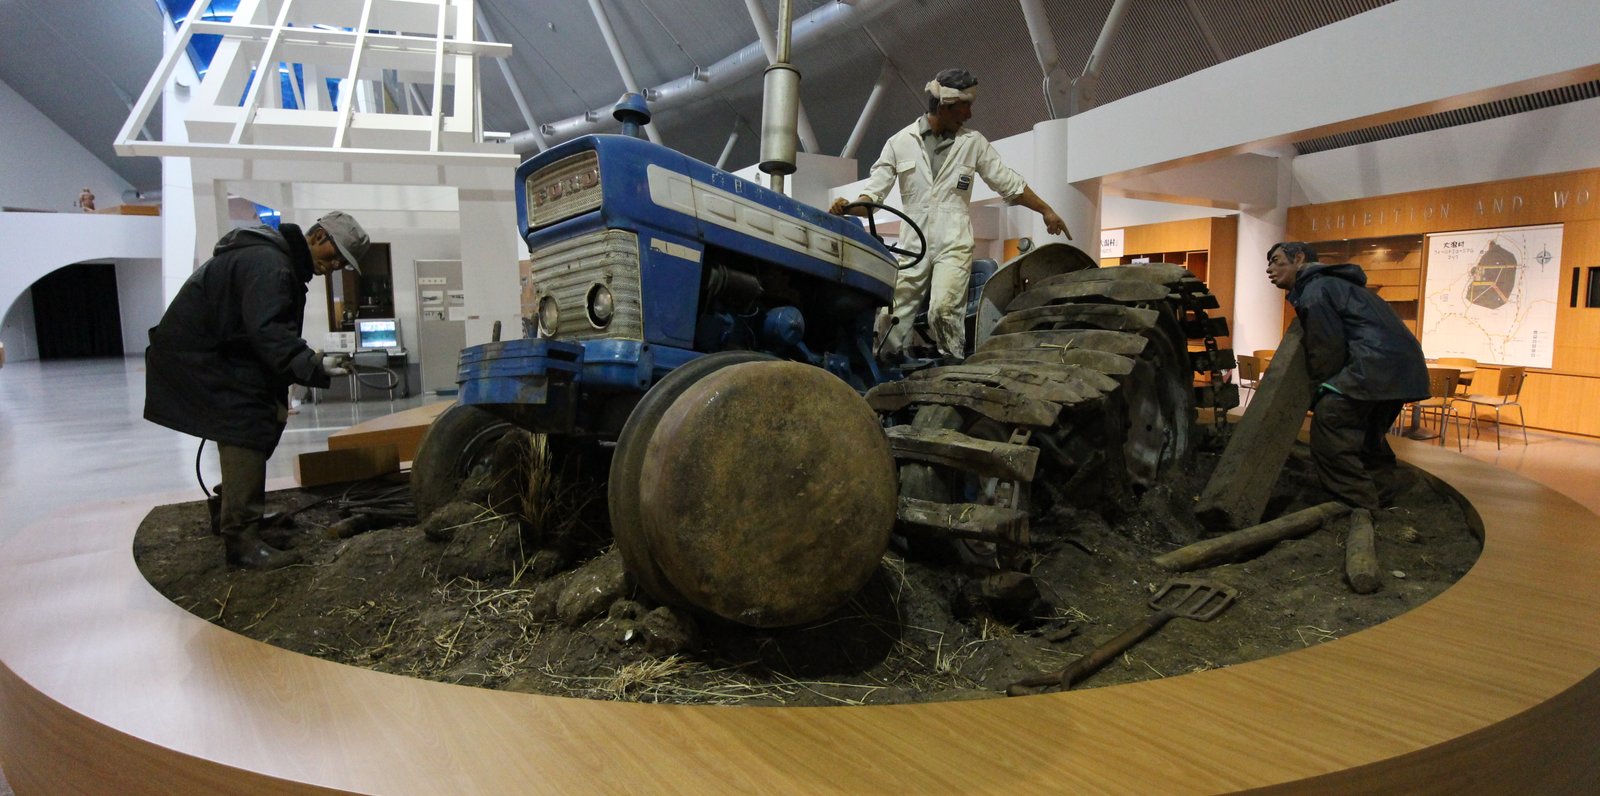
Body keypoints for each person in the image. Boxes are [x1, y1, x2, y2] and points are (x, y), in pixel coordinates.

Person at [145, 211, 370, 569]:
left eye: (344, 262)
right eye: (337, 255)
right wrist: (312, 364)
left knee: (266, 416)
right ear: (318, 236)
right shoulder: (271, 264)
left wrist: (304, 361)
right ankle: (241, 541)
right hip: (204, 358)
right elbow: (269, 333)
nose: (337, 265)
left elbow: (266, 330)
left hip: (221, 355)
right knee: (246, 428)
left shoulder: (276, 260)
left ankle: (231, 510)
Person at [830, 68, 1069, 362]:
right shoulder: (900, 142)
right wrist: (846, 208)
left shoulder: (973, 143)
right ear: (943, 105)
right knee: (891, 314)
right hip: (912, 244)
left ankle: (951, 367)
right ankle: (884, 370)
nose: (969, 114)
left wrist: (1046, 210)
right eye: (964, 105)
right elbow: (872, 197)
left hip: (954, 243)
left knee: (943, 311)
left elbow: (1008, 183)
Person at [1266, 241, 1429, 511]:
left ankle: (1358, 504)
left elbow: (1326, 348)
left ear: (1300, 259)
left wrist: (1320, 390)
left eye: (1277, 261)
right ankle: (1383, 495)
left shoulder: (1315, 291)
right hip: (1401, 372)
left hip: (1373, 367)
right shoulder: (1341, 286)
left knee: (1331, 426)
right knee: (1367, 437)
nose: (1270, 269)